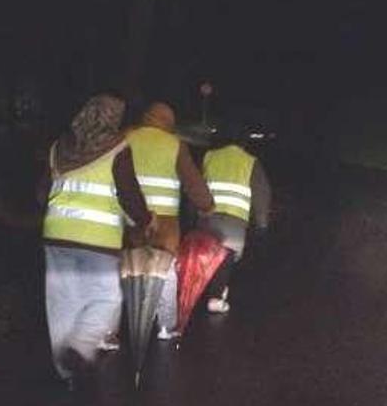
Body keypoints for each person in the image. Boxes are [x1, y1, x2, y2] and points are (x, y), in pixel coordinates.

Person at [40, 94, 156, 393]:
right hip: (97, 238)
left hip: (56, 235)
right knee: (107, 298)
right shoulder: (117, 147)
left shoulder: (58, 147)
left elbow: (41, 194)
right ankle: (80, 348)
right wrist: (145, 220)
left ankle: (65, 374)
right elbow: (128, 194)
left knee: (62, 303)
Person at [125, 102, 214, 339]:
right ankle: (165, 326)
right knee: (164, 272)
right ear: (169, 123)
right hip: (165, 222)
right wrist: (206, 205)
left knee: (131, 267)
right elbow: (192, 182)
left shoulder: (127, 137)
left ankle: (128, 320)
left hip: (132, 218)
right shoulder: (174, 145)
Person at [199, 128, 271, 313]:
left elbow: (197, 185)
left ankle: (202, 291)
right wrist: (262, 223)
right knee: (226, 256)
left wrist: (195, 216)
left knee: (205, 254)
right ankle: (215, 297)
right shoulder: (250, 162)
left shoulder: (209, 156)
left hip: (208, 217)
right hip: (235, 219)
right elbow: (261, 193)